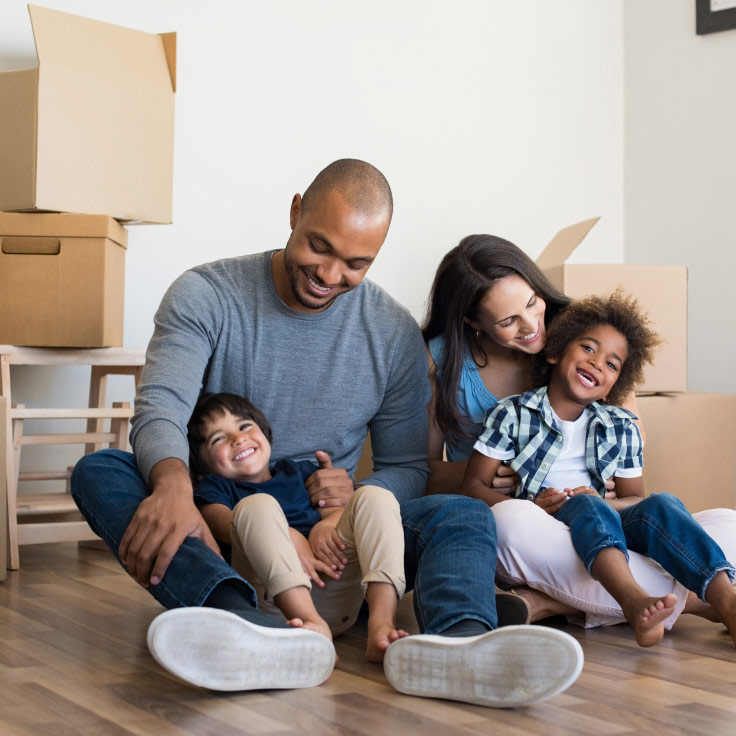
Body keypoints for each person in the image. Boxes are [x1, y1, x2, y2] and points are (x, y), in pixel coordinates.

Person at [71, 159, 583, 707]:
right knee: (101, 471)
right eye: (320, 247)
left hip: (338, 544)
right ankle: (236, 618)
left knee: (461, 512)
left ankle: (458, 643)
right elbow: (161, 408)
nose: (330, 274)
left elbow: (408, 465)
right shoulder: (206, 294)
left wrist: (350, 502)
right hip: (224, 521)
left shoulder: (390, 333)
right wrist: (174, 486)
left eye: (356, 263)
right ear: (295, 212)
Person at [423, 234, 736, 629]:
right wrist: (506, 478)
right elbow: (428, 473)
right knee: (512, 522)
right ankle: (696, 602)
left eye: (532, 303)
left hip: (606, 521)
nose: (533, 325)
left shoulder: (584, 334)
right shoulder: (464, 378)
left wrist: (612, 495)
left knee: (728, 525)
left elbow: (631, 484)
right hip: (528, 522)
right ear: (473, 322)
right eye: (508, 321)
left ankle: (550, 603)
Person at [187, 391, 409, 662]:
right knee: (257, 505)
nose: (238, 438)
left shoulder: (299, 471)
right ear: (202, 465)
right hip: (278, 602)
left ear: (265, 433)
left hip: (336, 584)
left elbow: (338, 511)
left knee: (375, 497)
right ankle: (311, 624)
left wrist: (325, 526)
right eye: (218, 438)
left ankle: (381, 624)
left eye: (244, 426)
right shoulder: (215, 488)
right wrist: (288, 535)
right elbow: (223, 526)